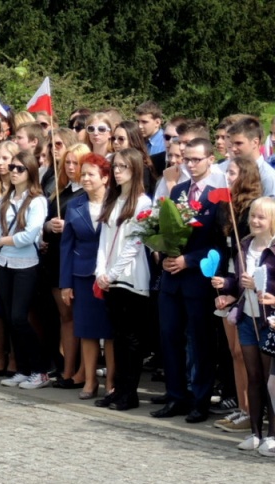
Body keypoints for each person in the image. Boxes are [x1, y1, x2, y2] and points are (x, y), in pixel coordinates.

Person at [152, 138, 226, 423]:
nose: (191, 165)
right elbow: (165, 228)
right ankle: (176, 396)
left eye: (197, 159)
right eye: (187, 159)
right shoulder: (179, 189)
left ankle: (200, 399)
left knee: (200, 342)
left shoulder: (219, 195)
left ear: (210, 159)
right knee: (169, 337)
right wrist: (164, 253)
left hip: (197, 279)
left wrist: (189, 261)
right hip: (172, 278)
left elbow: (221, 246)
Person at [0, 151, 49, 389]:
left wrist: (2, 241)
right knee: (10, 317)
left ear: (30, 172)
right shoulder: (3, 199)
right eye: (12, 167)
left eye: (20, 168)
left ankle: (40, 369)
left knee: (20, 317)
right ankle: (24, 368)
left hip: (26, 264)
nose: (14, 171)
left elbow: (29, 235)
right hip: (3, 263)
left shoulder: (37, 201)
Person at [214, 197, 275, 453]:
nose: (255, 221)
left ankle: (272, 435)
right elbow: (237, 281)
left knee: (270, 380)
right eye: (253, 216)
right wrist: (226, 287)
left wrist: (267, 292)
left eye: (262, 217)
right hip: (247, 317)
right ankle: (255, 433)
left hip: (269, 321)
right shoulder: (244, 245)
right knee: (253, 378)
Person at [95, 149, 152, 410]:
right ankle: (117, 389)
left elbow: (135, 244)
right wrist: (100, 271)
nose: (117, 171)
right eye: (115, 166)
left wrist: (113, 273)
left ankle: (130, 392)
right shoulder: (113, 199)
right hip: (110, 277)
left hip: (130, 277)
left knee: (131, 338)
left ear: (135, 170)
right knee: (117, 337)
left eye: (123, 167)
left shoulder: (143, 202)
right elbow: (104, 240)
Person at [213, 155, 263, 432]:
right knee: (234, 351)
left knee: (246, 353)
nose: (227, 177)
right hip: (229, 280)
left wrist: (236, 292)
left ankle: (252, 410)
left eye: (232, 173)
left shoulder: (252, 210)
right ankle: (242, 408)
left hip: (246, 287)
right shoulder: (224, 207)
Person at [60, 153, 113, 399]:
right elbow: (66, 247)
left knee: (111, 331)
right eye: (84, 173)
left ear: (105, 177)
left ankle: (112, 382)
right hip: (82, 275)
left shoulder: (116, 203)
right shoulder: (74, 205)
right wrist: (65, 283)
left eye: (92, 174)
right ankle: (90, 381)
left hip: (111, 276)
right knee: (88, 331)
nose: (86, 178)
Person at [45, 143, 91, 389]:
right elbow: (45, 220)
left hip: (76, 258)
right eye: (68, 163)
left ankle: (81, 370)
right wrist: (48, 226)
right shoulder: (60, 191)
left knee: (78, 316)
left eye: (77, 163)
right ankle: (67, 367)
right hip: (55, 257)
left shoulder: (87, 194)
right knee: (65, 315)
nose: (72, 168)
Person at [226, 117, 275, 197]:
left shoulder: (268, 177)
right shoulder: (230, 171)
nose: (233, 149)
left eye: (239, 143)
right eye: (232, 144)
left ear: (255, 142)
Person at [135, 100, 166, 176]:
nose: (139, 126)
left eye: (144, 122)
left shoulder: (165, 143)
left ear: (157, 122)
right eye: (138, 121)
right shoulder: (137, 140)